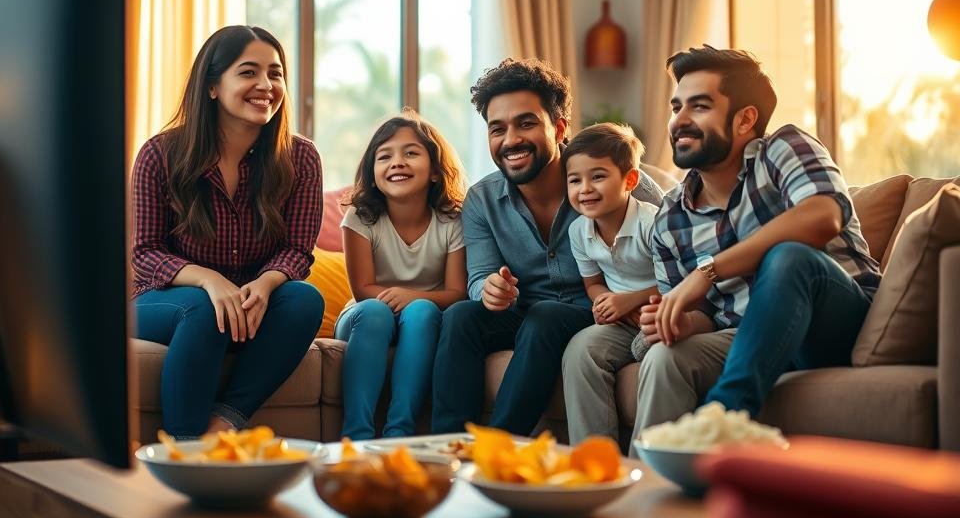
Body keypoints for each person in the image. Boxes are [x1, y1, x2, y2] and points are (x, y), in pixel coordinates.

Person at [632, 45, 881, 441]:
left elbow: (822, 216)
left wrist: (708, 272)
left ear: (745, 119)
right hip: (747, 337)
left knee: (789, 257)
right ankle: (653, 474)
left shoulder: (783, 149)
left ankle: (723, 418)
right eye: (676, 107)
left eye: (699, 106)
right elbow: (704, 316)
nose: (680, 120)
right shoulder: (669, 218)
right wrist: (679, 320)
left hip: (833, 323)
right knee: (666, 357)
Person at [431, 59, 663, 436]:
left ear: (559, 127)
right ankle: (448, 448)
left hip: (597, 313)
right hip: (523, 314)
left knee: (547, 316)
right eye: (497, 129)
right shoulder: (482, 200)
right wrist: (489, 289)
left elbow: (674, 252)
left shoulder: (617, 180)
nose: (510, 140)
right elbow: (478, 277)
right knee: (460, 317)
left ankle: (499, 446)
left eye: (526, 123)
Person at [132, 25, 326, 439]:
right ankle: (183, 447)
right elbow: (145, 252)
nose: (266, 85)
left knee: (304, 298)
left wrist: (266, 284)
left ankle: (222, 426)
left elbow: (297, 250)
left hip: (251, 306)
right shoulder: (160, 154)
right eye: (248, 72)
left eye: (275, 73)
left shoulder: (301, 157)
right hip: (164, 302)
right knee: (205, 308)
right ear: (212, 86)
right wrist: (209, 280)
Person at [334, 111, 468, 439]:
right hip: (365, 317)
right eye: (385, 156)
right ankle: (356, 435)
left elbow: (457, 292)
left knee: (422, 311)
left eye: (411, 153)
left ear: (435, 170)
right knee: (375, 311)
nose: (397, 162)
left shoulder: (453, 221)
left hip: (423, 320)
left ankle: (399, 433)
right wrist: (399, 300)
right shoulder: (360, 217)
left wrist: (413, 298)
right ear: (372, 173)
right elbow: (362, 289)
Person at [559, 123, 660, 444]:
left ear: (629, 180)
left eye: (598, 176)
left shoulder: (653, 223)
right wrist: (605, 301)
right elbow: (592, 283)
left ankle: (645, 460)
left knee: (657, 350)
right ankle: (594, 456)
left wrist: (631, 300)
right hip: (623, 320)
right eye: (575, 180)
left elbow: (681, 282)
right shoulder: (578, 231)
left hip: (665, 309)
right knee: (580, 350)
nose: (585, 189)